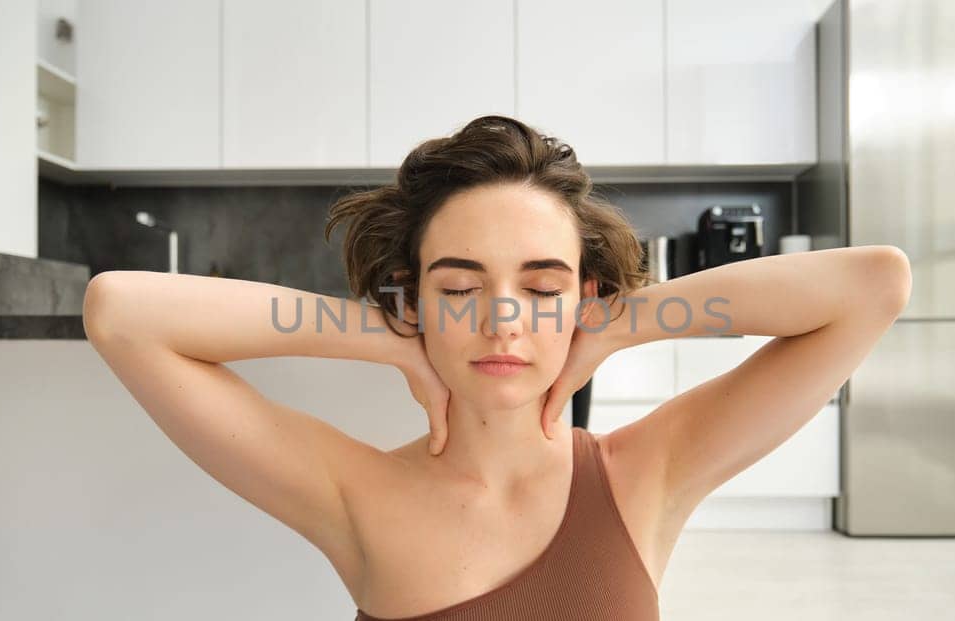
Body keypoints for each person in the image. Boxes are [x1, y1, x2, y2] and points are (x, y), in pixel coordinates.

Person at [82, 115, 911, 620]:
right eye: (459, 285)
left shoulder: (645, 474)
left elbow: (875, 285)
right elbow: (120, 312)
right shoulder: (352, 492)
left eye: (540, 285)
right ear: (414, 297)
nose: (501, 318)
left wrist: (619, 321)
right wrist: (380, 333)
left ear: (581, 295)